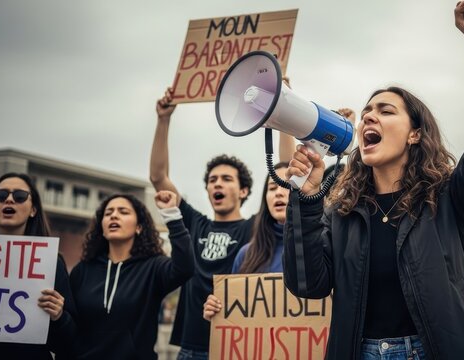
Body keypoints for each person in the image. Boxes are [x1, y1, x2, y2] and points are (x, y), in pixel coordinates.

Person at [283, 2, 464, 358]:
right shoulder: (344, 212)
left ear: (414, 134)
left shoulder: (450, 200)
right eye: (365, 114)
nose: (369, 119)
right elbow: (307, 284)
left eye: (385, 111)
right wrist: (306, 199)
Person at [150, 80, 296, 359]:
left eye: (227, 179)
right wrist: (163, 119)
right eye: (213, 180)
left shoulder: (254, 228)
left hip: (235, 344)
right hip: (191, 345)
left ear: (243, 191)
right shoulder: (194, 224)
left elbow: (286, 174)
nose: (218, 184)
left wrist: (283, 106)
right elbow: (158, 178)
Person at [69, 191, 193, 360]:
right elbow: (70, 328)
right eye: (108, 213)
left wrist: (171, 215)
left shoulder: (153, 267)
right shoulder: (82, 271)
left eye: (123, 212)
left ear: (139, 227)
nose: (114, 216)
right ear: (102, 228)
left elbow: (185, 267)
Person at [0, 172, 77, 360]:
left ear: (33, 210)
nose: (9, 200)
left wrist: (59, 316)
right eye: (0, 195)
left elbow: (68, 342)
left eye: (19, 196)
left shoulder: (51, 263)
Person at [202, 162, 290, 321]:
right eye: (272, 188)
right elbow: (235, 311)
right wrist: (217, 311)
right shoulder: (246, 254)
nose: (278, 192)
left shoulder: (319, 247)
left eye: (287, 185)